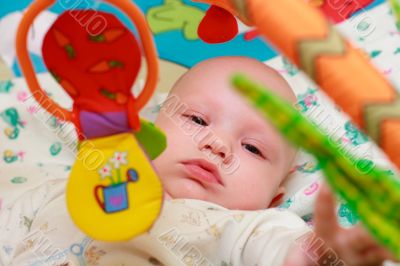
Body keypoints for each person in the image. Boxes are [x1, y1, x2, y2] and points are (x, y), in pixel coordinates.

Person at [0, 56, 395, 266]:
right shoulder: (77, 185)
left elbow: (282, 251)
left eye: (253, 149)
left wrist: (322, 254)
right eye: (197, 120)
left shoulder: (243, 226)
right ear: (149, 127)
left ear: (275, 198)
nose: (217, 145)